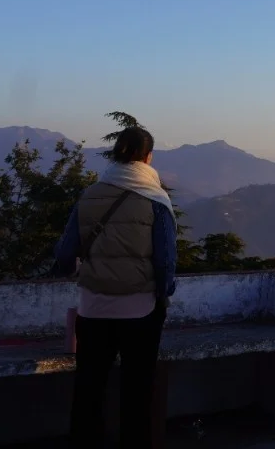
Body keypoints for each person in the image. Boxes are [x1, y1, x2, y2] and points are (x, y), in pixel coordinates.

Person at [54, 126, 178, 449]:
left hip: (93, 310)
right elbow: (165, 263)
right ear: (148, 157)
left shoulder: (89, 195)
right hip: (140, 313)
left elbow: (66, 254)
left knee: (89, 392)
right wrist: (163, 294)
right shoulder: (156, 201)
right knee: (137, 395)